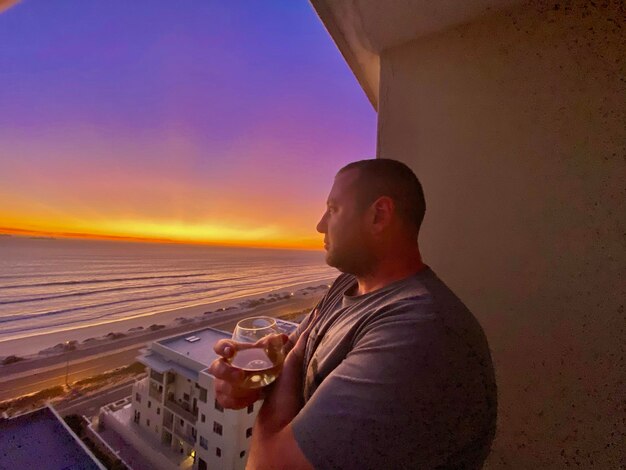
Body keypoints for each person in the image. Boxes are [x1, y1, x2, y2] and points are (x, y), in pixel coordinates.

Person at [209, 158, 497, 469]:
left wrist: (288, 365)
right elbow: (292, 352)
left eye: (332, 209)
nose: (320, 224)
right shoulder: (348, 284)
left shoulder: (421, 330)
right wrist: (249, 375)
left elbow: (268, 465)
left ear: (379, 215)